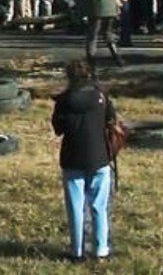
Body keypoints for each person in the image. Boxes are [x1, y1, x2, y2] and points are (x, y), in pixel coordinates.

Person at [52, 59, 117, 262]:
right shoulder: (101, 96)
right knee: (99, 206)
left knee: (76, 208)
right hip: (99, 158)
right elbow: (111, 121)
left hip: (72, 159)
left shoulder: (64, 100)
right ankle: (101, 250)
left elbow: (58, 129)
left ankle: (77, 251)